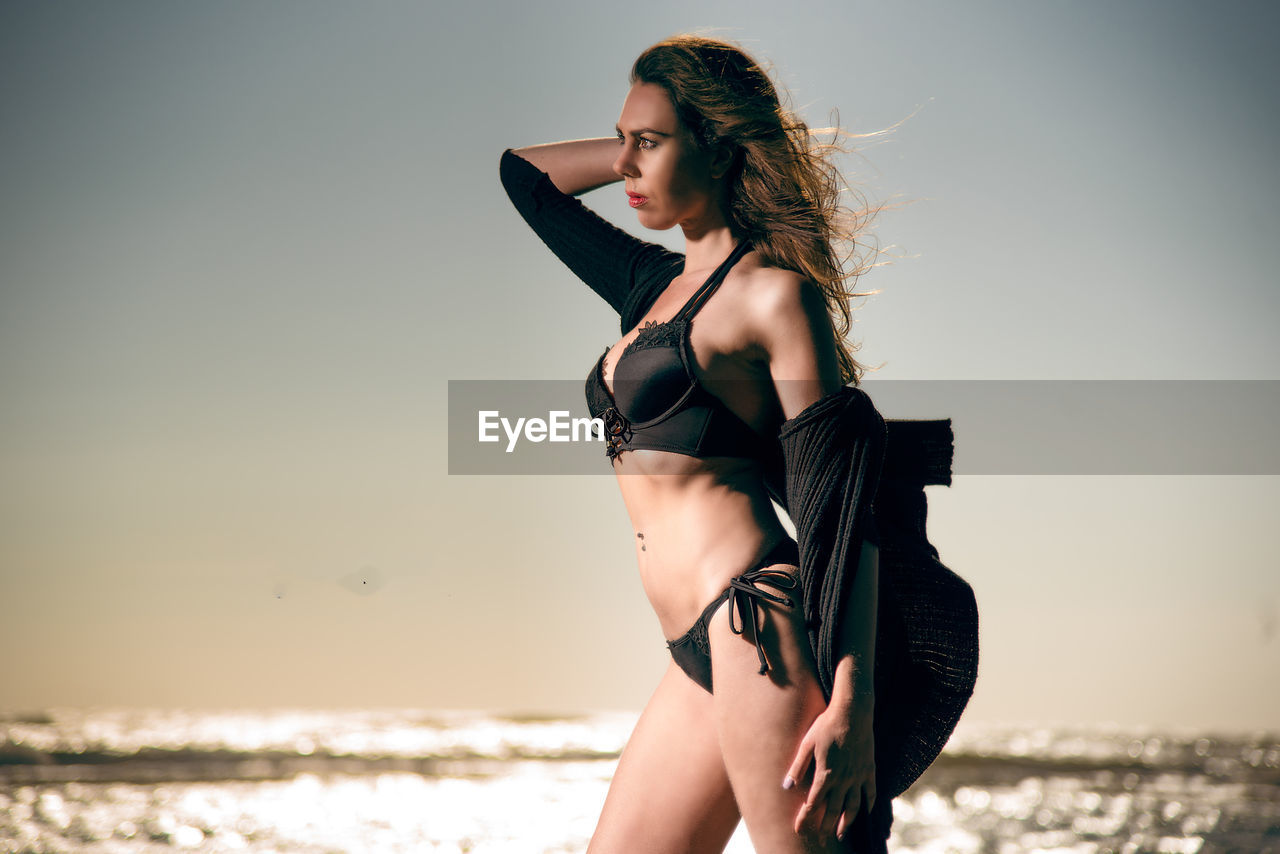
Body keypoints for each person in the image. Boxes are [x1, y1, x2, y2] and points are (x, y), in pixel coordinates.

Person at [500, 35, 977, 854]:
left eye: (648, 141)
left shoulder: (776, 299)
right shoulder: (648, 285)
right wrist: (637, 152)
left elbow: (840, 506)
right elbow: (524, 178)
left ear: (718, 148)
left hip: (754, 620)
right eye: (622, 140)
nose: (627, 164)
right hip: (692, 649)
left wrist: (852, 704)